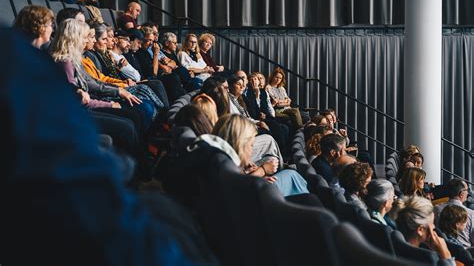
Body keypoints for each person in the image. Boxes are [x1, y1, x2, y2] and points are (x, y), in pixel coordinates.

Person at [0, 29, 218, 265]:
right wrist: (113, 100)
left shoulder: (33, 59)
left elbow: (91, 87)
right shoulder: (21, 62)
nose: (92, 41)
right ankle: (142, 169)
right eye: (88, 37)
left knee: (139, 112)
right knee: (166, 210)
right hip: (87, 214)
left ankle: (146, 161)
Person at [210, 114, 308, 197]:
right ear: (241, 145)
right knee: (294, 178)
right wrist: (262, 172)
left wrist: (250, 174)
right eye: (251, 145)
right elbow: (240, 193)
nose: (252, 150)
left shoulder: (217, 160)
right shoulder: (224, 168)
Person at [391, 196, 454, 264]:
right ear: (420, 230)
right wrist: (446, 255)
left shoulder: (391, 243)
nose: (434, 226)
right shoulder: (429, 259)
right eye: (432, 223)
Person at [434, 178, 474, 248]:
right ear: (461, 194)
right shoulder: (471, 213)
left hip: (441, 248)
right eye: (467, 190)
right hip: (465, 252)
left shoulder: (436, 209)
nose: (468, 193)